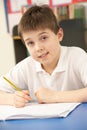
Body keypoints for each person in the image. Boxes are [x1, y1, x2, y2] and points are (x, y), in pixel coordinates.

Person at [0, 4, 87, 108]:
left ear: (59, 35)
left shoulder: (77, 57)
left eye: (44, 38)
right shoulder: (26, 66)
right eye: (30, 43)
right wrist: (12, 99)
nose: (38, 48)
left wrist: (54, 96)